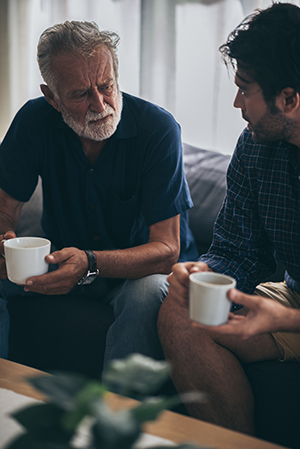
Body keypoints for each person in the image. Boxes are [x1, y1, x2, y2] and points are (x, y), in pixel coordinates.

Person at [0, 21, 198, 366]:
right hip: (64, 261)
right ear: (52, 98)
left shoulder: (158, 130)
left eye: (106, 86)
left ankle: (119, 418)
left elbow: (167, 250)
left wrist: (90, 262)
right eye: (80, 94)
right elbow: (4, 210)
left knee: (145, 294)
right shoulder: (33, 121)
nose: (100, 104)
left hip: (142, 272)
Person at [157, 2, 300, 437]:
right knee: (180, 314)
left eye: (246, 88)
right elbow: (238, 250)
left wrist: (286, 322)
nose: (236, 102)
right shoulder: (255, 147)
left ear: (290, 98)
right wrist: (204, 276)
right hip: (293, 297)